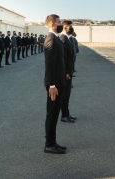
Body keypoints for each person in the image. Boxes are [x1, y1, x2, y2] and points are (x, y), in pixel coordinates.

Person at [44, 14, 67, 154]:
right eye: (59, 22)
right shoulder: (51, 40)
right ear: (53, 24)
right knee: (52, 114)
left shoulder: (55, 38)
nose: (61, 24)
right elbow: (49, 65)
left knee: (54, 113)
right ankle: (49, 144)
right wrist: (52, 86)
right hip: (55, 85)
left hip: (58, 82)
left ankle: (53, 141)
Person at [59, 20, 76, 123]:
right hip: (66, 73)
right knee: (65, 95)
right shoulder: (63, 39)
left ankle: (67, 114)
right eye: (70, 26)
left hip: (69, 71)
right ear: (65, 27)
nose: (72, 28)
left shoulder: (68, 39)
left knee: (67, 94)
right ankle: (64, 115)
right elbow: (63, 58)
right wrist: (66, 72)